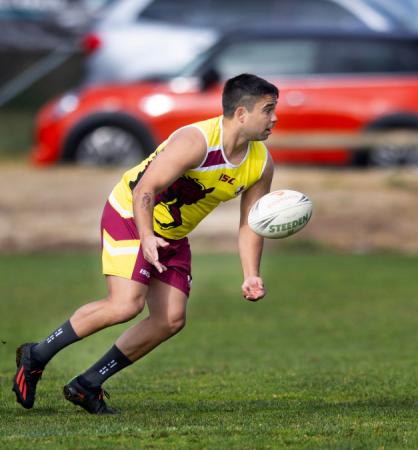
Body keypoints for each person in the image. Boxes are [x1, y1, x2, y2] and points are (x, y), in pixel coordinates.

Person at [12, 73, 279, 414]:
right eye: (268, 109)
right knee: (125, 305)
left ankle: (87, 384)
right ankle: (38, 354)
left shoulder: (260, 163)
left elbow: (251, 223)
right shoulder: (195, 141)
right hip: (130, 215)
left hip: (171, 233)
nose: (274, 118)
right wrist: (148, 237)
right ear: (241, 113)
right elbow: (144, 191)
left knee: (170, 320)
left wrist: (250, 274)